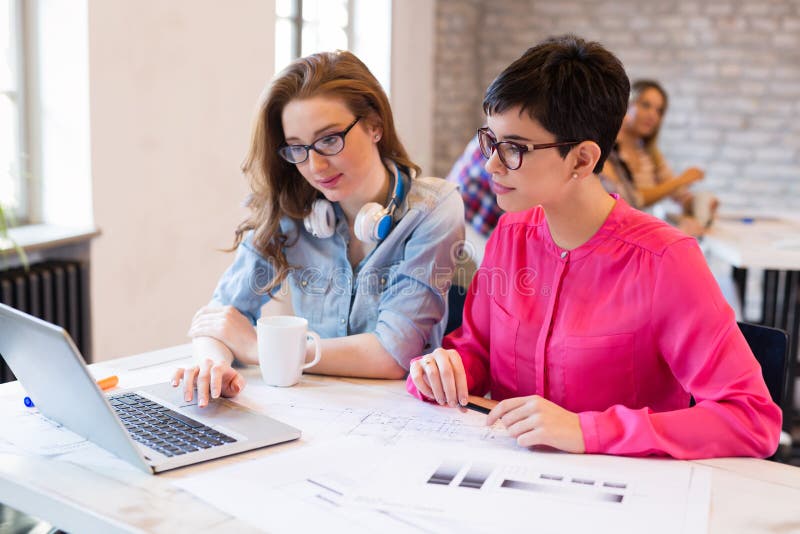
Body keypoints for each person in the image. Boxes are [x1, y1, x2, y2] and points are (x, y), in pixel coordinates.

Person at [406, 35, 781, 459]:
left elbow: (751, 419)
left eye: (513, 148)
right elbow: (474, 352)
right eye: (490, 141)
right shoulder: (510, 235)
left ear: (583, 160)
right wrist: (441, 370)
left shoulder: (665, 262)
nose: (491, 164)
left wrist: (587, 430)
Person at [174, 50, 464, 407]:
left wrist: (257, 348)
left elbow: (391, 355)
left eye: (329, 139)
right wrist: (211, 364)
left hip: (399, 415)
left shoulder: (433, 209)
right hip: (314, 408)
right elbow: (220, 318)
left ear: (375, 125)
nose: (315, 166)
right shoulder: (291, 208)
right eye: (297, 148)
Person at [601, 79, 712, 237]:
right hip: (619, 236)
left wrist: (698, 204)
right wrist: (681, 180)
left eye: (659, 111)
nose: (652, 115)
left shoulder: (651, 155)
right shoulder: (610, 153)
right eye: (645, 105)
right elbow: (633, 199)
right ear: (627, 105)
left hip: (641, 234)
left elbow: (679, 194)